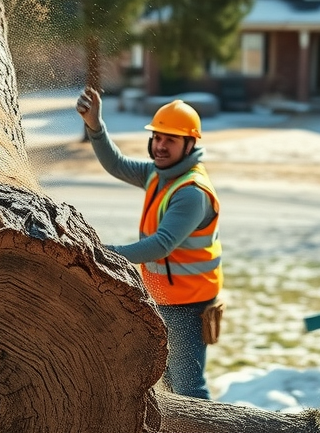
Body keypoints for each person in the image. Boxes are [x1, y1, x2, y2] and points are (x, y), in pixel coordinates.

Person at [76, 88, 222, 400]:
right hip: (163, 296)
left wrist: (103, 255)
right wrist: (95, 126)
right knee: (167, 387)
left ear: (189, 143)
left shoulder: (191, 191)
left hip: (187, 304)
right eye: (157, 137)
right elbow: (116, 164)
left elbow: (161, 245)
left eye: (170, 139)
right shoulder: (159, 174)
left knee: (188, 390)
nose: (160, 145)